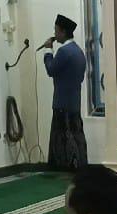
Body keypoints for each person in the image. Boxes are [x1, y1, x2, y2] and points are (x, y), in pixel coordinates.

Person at [41, 15, 88, 170]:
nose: (54, 34)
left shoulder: (64, 51)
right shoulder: (79, 52)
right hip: (74, 102)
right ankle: (78, 167)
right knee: (76, 137)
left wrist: (48, 50)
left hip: (62, 102)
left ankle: (62, 169)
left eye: (56, 30)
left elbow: (51, 69)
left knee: (61, 140)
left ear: (62, 32)